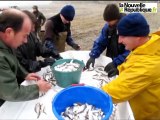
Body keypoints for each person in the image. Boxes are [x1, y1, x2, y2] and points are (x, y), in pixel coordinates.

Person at [102, 13, 160, 119]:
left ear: (138, 37)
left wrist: (87, 94)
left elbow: (116, 92)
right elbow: (134, 61)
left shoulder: (148, 65)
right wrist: (119, 69)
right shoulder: (146, 46)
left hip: (146, 115)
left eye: (123, 36)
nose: (119, 40)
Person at [0, 9, 51, 106]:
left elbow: (12, 60)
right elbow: (11, 93)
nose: (26, 41)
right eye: (24, 36)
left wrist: (24, 74)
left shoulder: (7, 43)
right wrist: (37, 88)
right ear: (9, 32)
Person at [85, 4, 130, 77]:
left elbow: (130, 52)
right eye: (106, 21)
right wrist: (93, 55)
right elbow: (101, 42)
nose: (107, 23)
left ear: (116, 18)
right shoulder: (107, 27)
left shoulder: (126, 27)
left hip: (124, 63)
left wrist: (116, 63)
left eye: (109, 21)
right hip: (111, 58)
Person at [15, 10, 59, 76]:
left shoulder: (31, 34)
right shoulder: (13, 42)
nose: (33, 30)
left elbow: (39, 47)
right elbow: (21, 64)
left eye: (34, 26)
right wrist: (41, 64)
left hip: (32, 73)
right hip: (21, 77)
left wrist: (50, 52)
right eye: (31, 27)